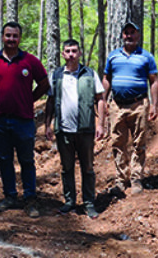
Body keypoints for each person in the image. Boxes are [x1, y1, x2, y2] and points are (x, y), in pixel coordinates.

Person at [0, 21, 49, 218]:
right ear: (2, 37)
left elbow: (44, 83)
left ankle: (30, 199)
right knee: (4, 160)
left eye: (15, 36)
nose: (11, 39)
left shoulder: (30, 61)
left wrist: (31, 99)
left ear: (19, 38)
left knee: (27, 160)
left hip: (24, 120)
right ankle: (10, 196)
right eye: (8, 35)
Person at [44, 39, 106, 219]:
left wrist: (100, 124)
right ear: (63, 54)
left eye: (74, 51)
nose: (71, 54)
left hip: (86, 130)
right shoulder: (56, 75)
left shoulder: (89, 74)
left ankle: (89, 203)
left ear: (79, 53)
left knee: (87, 168)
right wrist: (48, 124)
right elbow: (50, 101)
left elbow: (100, 99)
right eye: (67, 51)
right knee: (66, 168)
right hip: (63, 130)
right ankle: (70, 202)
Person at [102, 21, 158, 195]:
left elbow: (154, 81)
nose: (129, 35)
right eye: (126, 32)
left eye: (132, 32)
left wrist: (154, 105)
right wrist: (103, 100)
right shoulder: (113, 56)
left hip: (139, 104)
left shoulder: (146, 57)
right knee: (118, 143)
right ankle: (121, 179)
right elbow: (106, 78)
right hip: (117, 105)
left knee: (139, 143)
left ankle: (136, 178)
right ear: (122, 35)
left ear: (138, 35)